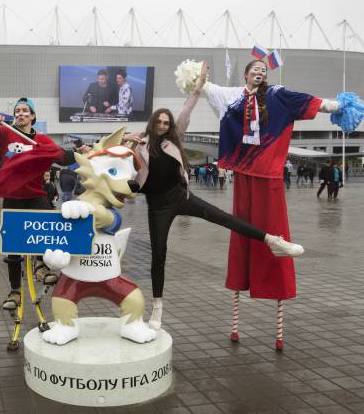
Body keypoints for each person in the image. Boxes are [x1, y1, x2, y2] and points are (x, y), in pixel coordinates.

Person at [125, 62, 303, 330]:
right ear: (152, 123)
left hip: (180, 197)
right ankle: (158, 307)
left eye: (166, 122)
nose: (163, 125)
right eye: (159, 122)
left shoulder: (175, 138)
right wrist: (126, 138)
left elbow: (189, 105)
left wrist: (201, 83)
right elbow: (111, 153)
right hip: (157, 207)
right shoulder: (140, 144)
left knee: (224, 218)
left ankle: (273, 240)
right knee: (158, 255)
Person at [203, 58, 355, 349]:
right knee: (241, 235)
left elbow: (312, 103)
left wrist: (339, 105)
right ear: (245, 74)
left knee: (274, 233)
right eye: (254, 69)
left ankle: (277, 303)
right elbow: (203, 87)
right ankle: (239, 294)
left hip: (269, 177)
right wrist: (196, 76)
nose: (259, 73)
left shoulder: (278, 95)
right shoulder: (231, 96)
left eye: (263, 70)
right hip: (242, 175)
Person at [0, 97, 68, 310]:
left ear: (32, 116)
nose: (20, 114)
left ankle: (41, 266)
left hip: (36, 195)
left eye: (24, 111)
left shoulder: (42, 140)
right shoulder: (6, 134)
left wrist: (85, 153)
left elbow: (62, 156)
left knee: (47, 229)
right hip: (12, 197)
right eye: (17, 111)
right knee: (13, 247)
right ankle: (15, 291)